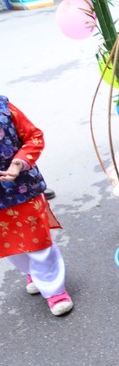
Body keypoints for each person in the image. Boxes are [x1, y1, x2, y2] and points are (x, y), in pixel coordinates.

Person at [0, 96, 73, 316]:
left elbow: (34, 137)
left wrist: (17, 163)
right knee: (10, 244)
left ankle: (54, 290)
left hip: (24, 188)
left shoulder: (4, 107)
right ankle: (33, 272)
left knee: (39, 243)